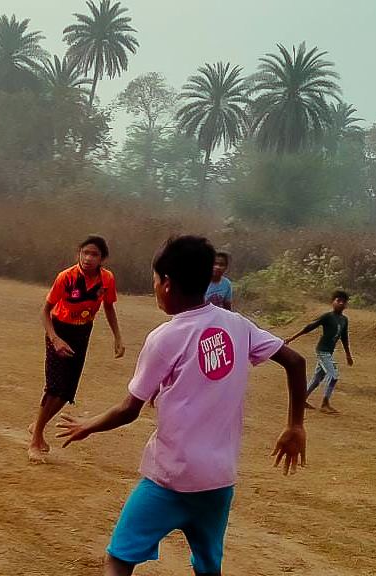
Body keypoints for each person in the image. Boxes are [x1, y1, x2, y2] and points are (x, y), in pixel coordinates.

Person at [56, 235, 307, 576]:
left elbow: (130, 409)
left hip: (170, 479)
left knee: (119, 557)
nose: (155, 287)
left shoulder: (165, 337)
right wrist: (295, 425)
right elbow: (295, 361)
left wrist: (89, 424)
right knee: (207, 568)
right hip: (219, 481)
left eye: (155, 280)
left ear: (168, 284)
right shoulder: (238, 325)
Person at [28, 235, 125, 463]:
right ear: (78, 254)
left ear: (103, 258)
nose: (89, 258)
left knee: (67, 392)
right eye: (85, 253)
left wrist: (117, 337)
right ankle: (35, 440)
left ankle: (37, 425)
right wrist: (55, 339)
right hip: (59, 330)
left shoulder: (107, 279)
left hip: (83, 331)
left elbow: (109, 307)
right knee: (53, 387)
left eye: (94, 254)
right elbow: (45, 311)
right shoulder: (66, 277)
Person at [284, 290, 353, 414]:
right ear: (333, 302)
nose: (341, 303)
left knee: (318, 377)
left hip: (328, 352)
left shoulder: (344, 320)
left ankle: (302, 399)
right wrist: (292, 338)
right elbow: (309, 327)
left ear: (346, 304)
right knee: (334, 375)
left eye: (343, 302)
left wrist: (348, 354)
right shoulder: (327, 317)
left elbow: (344, 337)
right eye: (338, 300)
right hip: (322, 351)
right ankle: (325, 403)